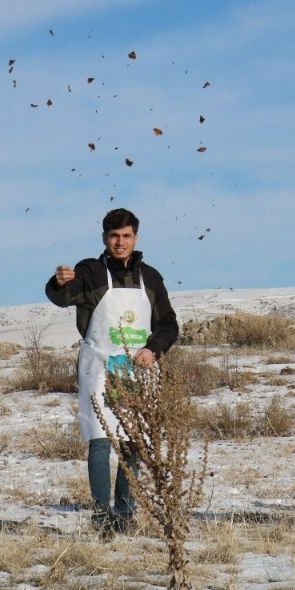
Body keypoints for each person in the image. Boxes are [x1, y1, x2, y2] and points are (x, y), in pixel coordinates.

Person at [45, 208, 178, 538]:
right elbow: (63, 297)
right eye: (114, 236)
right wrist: (58, 283)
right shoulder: (90, 272)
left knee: (134, 441)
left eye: (126, 236)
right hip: (99, 366)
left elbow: (167, 324)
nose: (120, 242)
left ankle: (125, 512)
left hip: (136, 368)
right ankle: (102, 515)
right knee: (100, 438)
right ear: (104, 238)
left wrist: (153, 349)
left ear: (136, 237)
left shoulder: (151, 278)